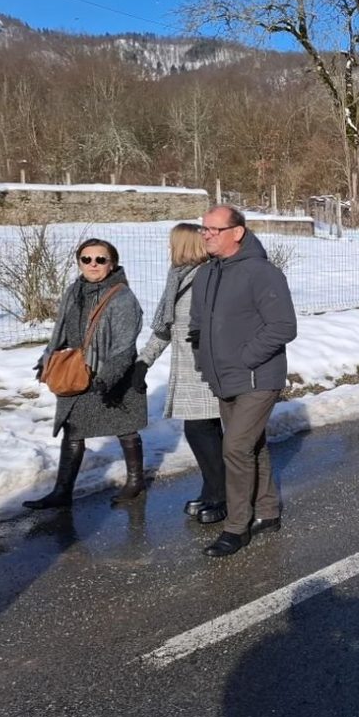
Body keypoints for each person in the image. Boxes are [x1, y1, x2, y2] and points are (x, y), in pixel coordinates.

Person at [190, 205, 297, 558]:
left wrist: (246, 357)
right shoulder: (205, 274)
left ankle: (236, 527)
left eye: (213, 229)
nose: (205, 234)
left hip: (258, 376)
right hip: (223, 378)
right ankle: (268, 511)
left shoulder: (261, 272)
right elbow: (198, 325)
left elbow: (283, 326)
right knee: (252, 446)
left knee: (234, 447)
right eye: (203, 229)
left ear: (237, 233)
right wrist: (204, 358)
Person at [24, 238, 147, 511]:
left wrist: (109, 377)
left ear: (111, 263)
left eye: (100, 259)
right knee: (73, 430)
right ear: (79, 262)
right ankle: (62, 491)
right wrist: (47, 358)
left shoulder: (122, 296)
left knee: (124, 428)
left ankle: (136, 481)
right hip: (80, 371)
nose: (93, 264)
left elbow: (125, 344)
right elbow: (63, 330)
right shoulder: (73, 291)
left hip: (113, 374)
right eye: (86, 259)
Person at [134, 223, 226, 524]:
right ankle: (212, 489)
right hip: (186, 367)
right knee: (202, 431)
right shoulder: (178, 277)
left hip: (206, 366)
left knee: (203, 431)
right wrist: (143, 362)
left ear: (185, 245)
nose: (169, 249)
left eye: (173, 243)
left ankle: (221, 495)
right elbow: (165, 328)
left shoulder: (206, 276)